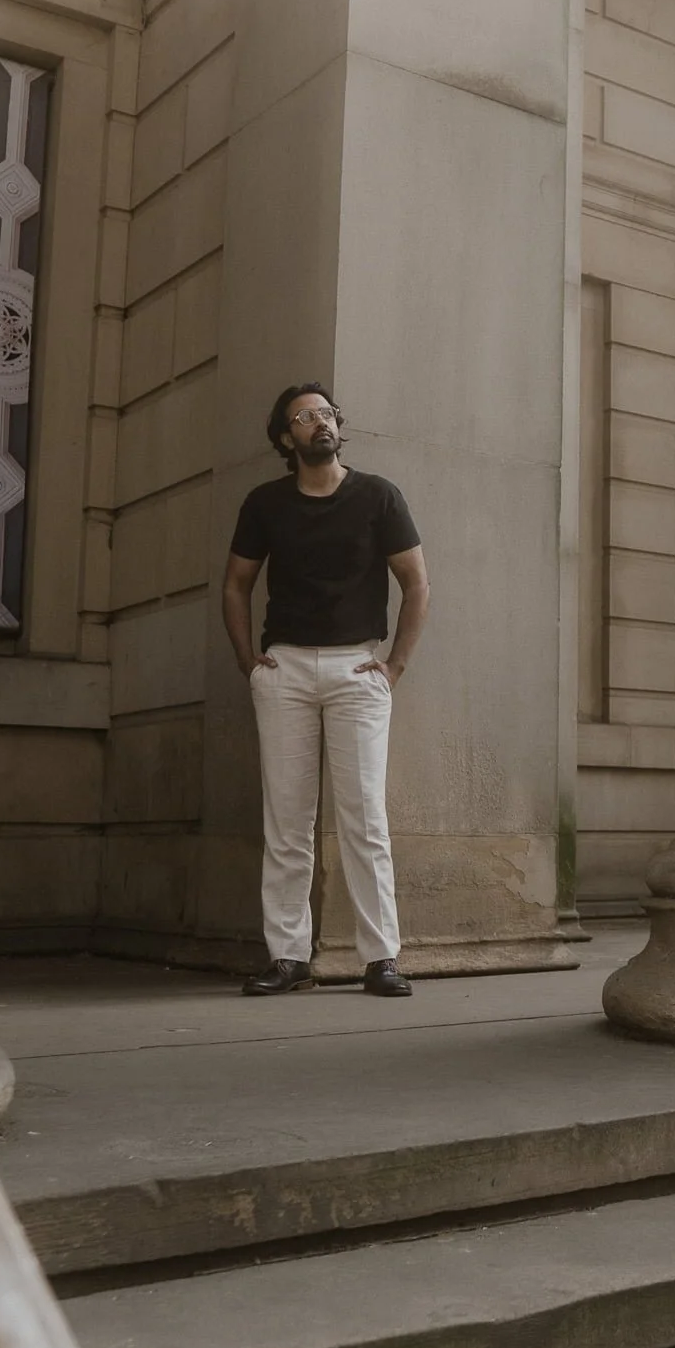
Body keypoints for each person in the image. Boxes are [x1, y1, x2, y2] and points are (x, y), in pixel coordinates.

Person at [223, 382, 430, 997]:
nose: (319, 421)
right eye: (304, 417)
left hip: (357, 671)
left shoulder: (378, 496)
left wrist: (393, 667)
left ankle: (381, 957)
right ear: (287, 438)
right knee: (287, 822)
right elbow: (235, 585)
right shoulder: (265, 503)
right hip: (284, 669)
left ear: (338, 424)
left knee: (365, 818)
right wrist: (248, 662)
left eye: (325, 412)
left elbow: (417, 584)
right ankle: (288, 958)